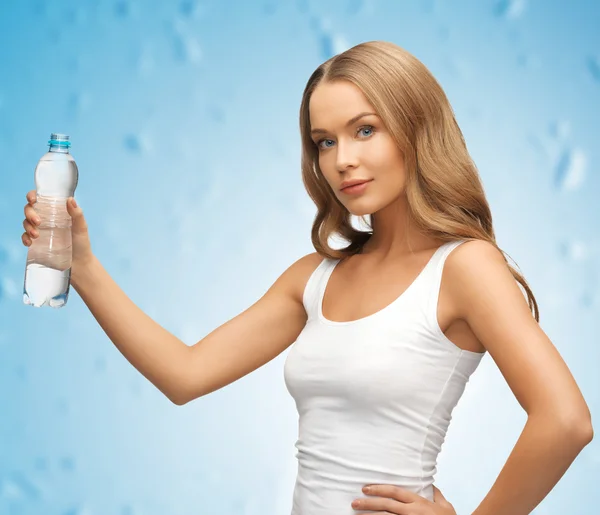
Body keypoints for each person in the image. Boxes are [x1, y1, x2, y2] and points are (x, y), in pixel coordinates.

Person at [21, 41, 593, 515]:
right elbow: (184, 374)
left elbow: (566, 421)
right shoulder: (314, 279)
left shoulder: (464, 267)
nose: (341, 158)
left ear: (417, 129)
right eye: (325, 141)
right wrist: (85, 267)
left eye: (364, 130)